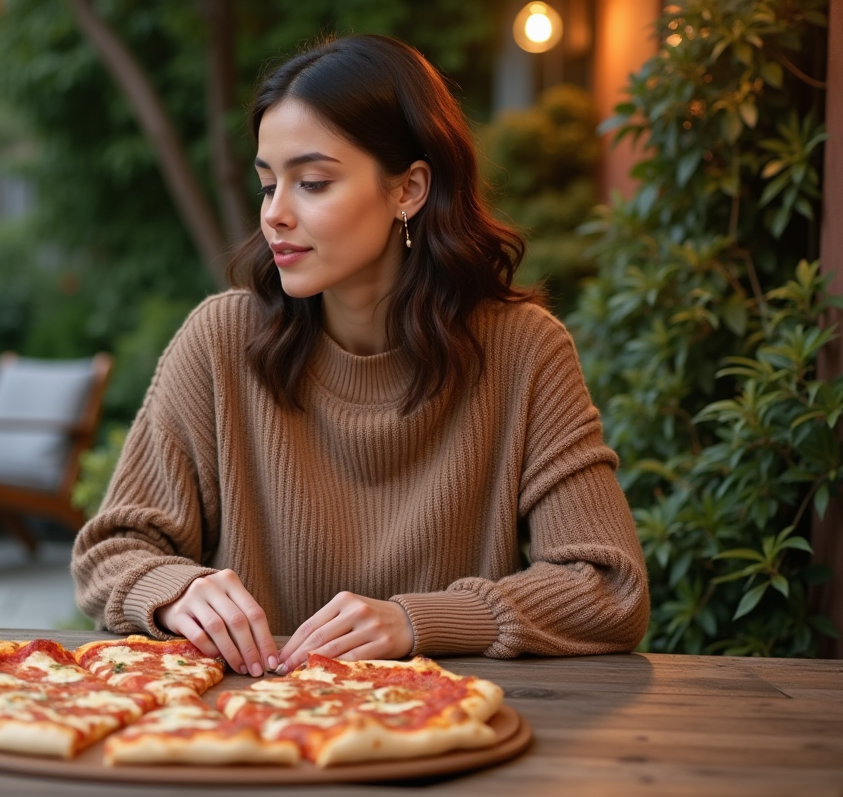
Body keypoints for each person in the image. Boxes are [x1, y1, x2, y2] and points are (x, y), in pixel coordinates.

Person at [71, 34, 649, 679]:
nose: (276, 216)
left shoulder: (525, 351)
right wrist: (175, 590)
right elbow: (111, 550)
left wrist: (416, 621)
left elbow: (608, 587)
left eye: (312, 182)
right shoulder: (219, 340)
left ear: (409, 189)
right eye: (268, 186)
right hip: (252, 730)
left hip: (441, 733)